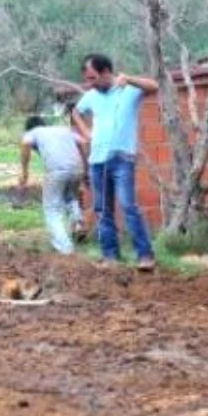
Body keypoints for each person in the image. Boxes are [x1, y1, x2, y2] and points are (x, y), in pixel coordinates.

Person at [72, 53, 158, 271]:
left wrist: (129, 78)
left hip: (122, 158)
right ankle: (111, 257)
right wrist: (86, 132)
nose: (89, 83)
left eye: (93, 78)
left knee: (129, 206)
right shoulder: (91, 96)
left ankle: (145, 256)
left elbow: (153, 86)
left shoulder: (127, 90)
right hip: (97, 161)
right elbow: (75, 112)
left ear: (106, 72)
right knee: (102, 209)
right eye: (87, 79)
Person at [19, 115, 87, 255]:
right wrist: (86, 167)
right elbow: (83, 142)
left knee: (51, 209)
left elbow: (25, 143)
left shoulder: (34, 132)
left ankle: (65, 248)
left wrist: (25, 172)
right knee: (71, 197)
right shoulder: (62, 129)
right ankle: (78, 223)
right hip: (77, 168)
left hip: (57, 170)